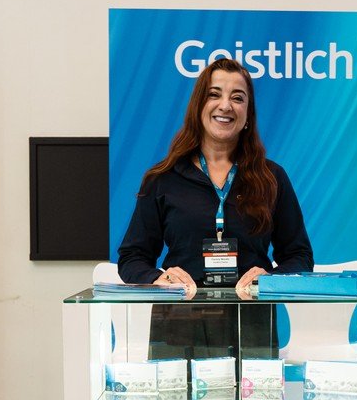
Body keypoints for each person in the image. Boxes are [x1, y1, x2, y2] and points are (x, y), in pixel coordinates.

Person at [117, 58, 314, 291]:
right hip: (180, 309)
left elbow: (299, 256)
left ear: (248, 114)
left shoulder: (272, 177)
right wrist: (159, 278)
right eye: (214, 94)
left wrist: (270, 279)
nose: (225, 105)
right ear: (198, 105)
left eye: (237, 98)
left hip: (250, 310)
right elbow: (132, 257)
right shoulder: (162, 178)